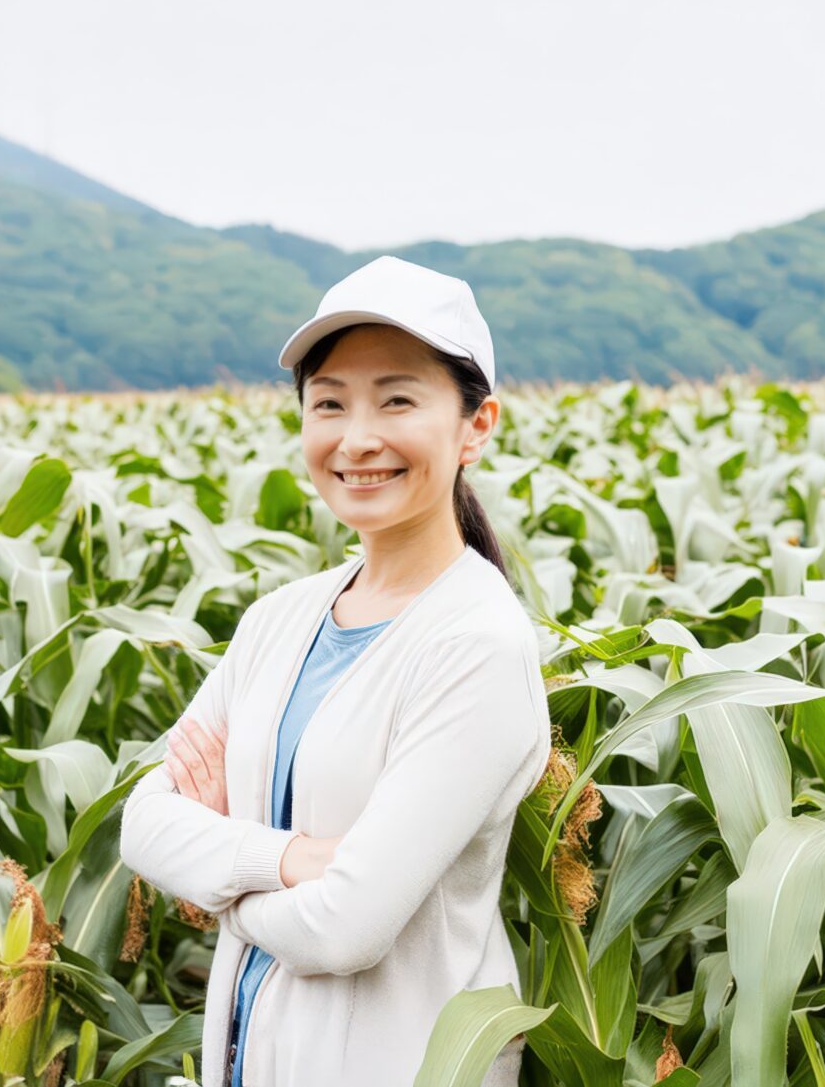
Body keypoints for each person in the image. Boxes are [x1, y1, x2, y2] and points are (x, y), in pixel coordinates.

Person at [118, 255, 554, 1086]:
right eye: (329, 402)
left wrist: (218, 877)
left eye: (397, 399)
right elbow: (142, 821)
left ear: (477, 425)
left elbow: (345, 927)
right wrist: (293, 860)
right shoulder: (277, 620)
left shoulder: (477, 645)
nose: (357, 438)